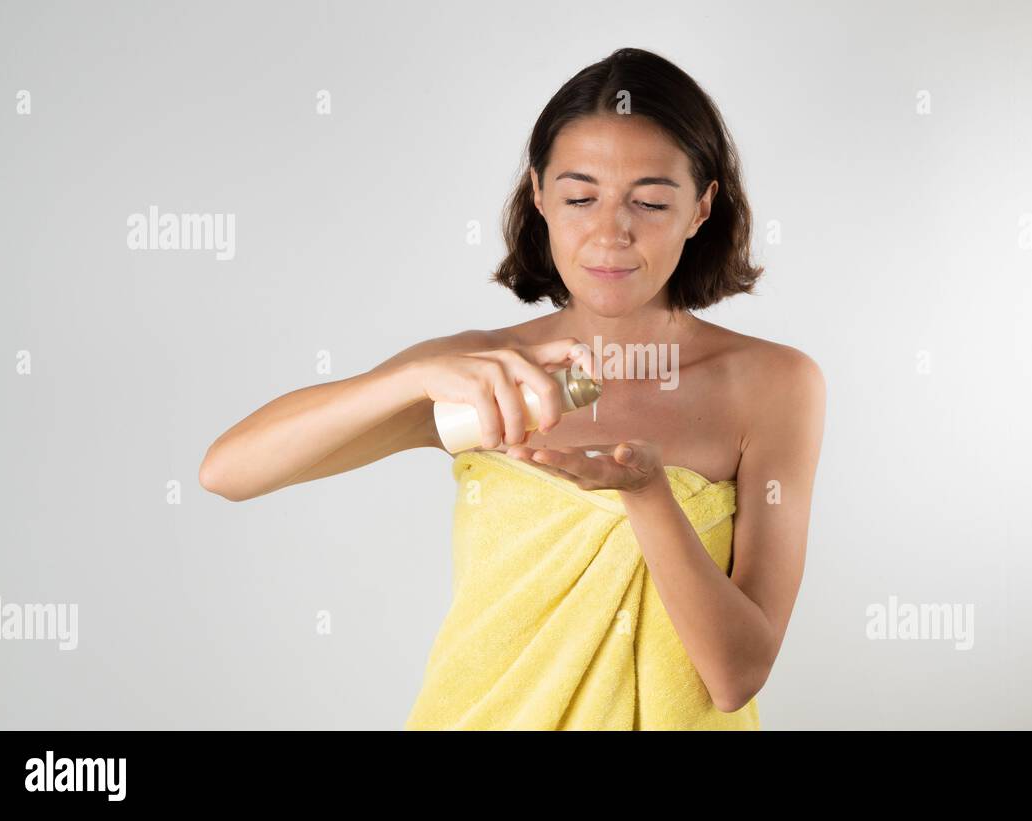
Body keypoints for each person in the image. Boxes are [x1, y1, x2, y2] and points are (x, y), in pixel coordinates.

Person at [199, 47, 825, 730]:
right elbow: (227, 472)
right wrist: (407, 376)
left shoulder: (773, 385)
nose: (610, 232)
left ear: (702, 206)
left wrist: (648, 495)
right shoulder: (486, 370)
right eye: (580, 197)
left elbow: (735, 675)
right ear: (539, 194)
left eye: (648, 201)